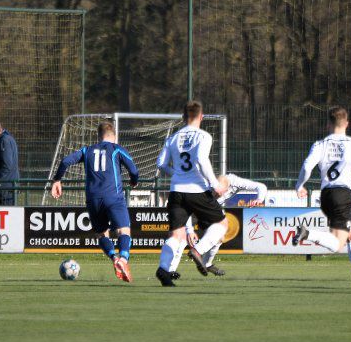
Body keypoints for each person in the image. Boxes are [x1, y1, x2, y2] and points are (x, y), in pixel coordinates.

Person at [292, 106, 351, 293]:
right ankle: (307, 233)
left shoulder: (320, 144)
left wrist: (299, 185)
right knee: (337, 243)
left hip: (326, 195)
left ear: (328, 124)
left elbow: (307, 167)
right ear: (347, 124)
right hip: (343, 195)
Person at [50, 121, 140, 282]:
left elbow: (65, 161)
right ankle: (123, 259)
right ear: (114, 136)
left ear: (99, 136)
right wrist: (134, 181)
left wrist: (57, 180)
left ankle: (114, 258)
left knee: (101, 234)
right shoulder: (116, 149)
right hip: (113, 197)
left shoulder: (87, 150)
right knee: (123, 231)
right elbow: (133, 170)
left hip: (93, 199)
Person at [154, 101, 230, 286]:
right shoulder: (204, 136)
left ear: (183, 117)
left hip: (176, 192)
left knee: (176, 235)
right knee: (222, 223)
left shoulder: (172, 138)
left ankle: (163, 269)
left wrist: (176, 174)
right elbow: (201, 159)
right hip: (197, 190)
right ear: (201, 117)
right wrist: (215, 184)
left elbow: (161, 163)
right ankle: (198, 250)